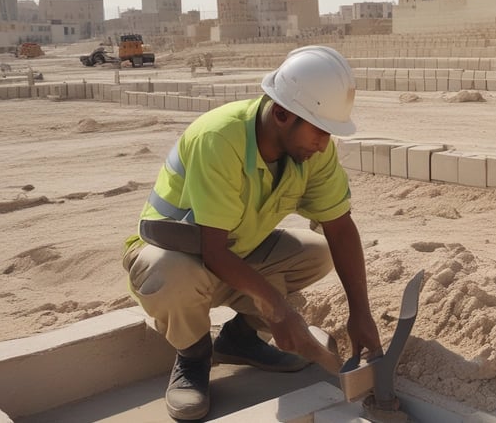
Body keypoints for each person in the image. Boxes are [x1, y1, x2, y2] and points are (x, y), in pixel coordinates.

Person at [122, 45, 382, 421]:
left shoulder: (312, 148)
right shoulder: (219, 138)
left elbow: (340, 228)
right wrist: (279, 311)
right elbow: (211, 250)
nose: (324, 144)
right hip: (173, 252)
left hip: (234, 251)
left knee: (318, 252)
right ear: (281, 113)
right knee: (174, 274)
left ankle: (241, 340)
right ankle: (193, 358)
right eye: (319, 131)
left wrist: (361, 312)